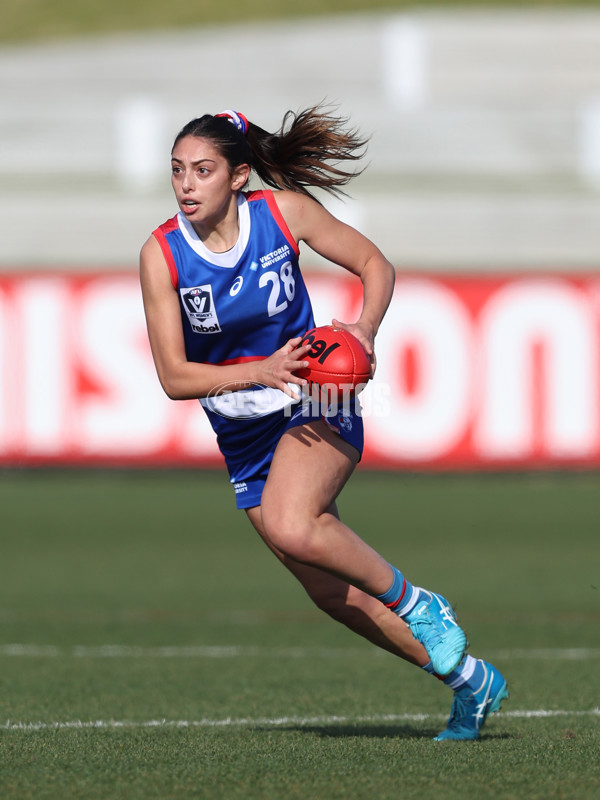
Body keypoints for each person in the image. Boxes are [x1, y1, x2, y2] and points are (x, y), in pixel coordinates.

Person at [139, 106, 508, 740]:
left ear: (239, 176)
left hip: (316, 400)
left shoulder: (283, 213)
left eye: (203, 170)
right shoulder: (163, 253)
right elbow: (174, 377)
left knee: (292, 523)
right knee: (329, 592)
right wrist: (258, 371)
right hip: (243, 431)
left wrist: (362, 331)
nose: (187, 185)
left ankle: (423, 605)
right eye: (178, 171)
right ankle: (471, 683)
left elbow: (375, 266)